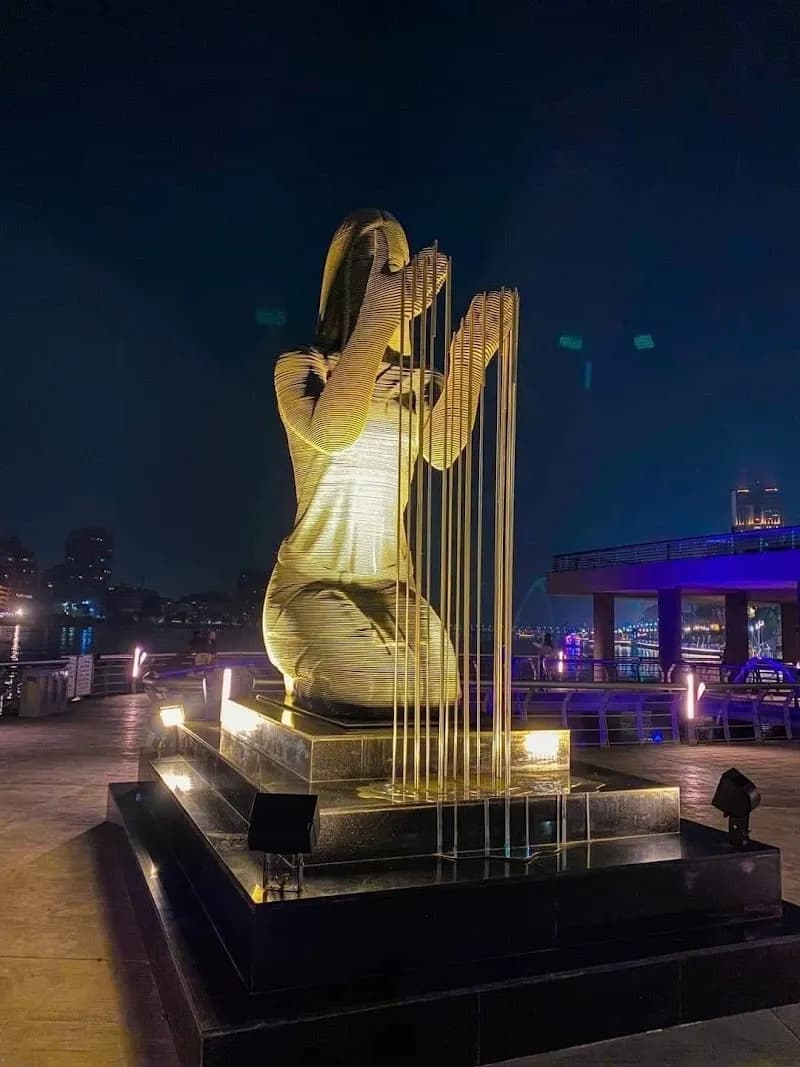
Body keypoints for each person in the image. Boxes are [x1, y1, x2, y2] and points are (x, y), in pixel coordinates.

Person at [263, 208, 514, 713]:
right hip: (308, 584)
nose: (380, 272)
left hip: (390, 584)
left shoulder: (418, 382)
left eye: (392, 262)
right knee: (376, 685)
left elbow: (442, 453)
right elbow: (331, 433)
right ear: (339, 276)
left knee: (442, 690)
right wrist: (379, 320)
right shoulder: (305, 366)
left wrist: (469, 360)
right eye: (366, 259)